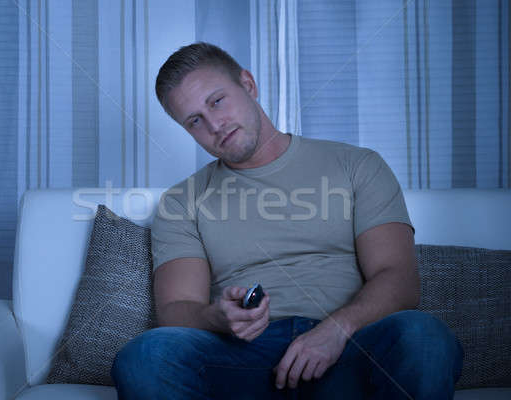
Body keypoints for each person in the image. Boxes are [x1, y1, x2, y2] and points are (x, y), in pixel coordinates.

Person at [112, 42, 463, 399]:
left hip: (350, 348)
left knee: (424, 335)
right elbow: (176, 310)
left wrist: (335, 330)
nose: (215, 124)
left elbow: (400, 279)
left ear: (248, 84)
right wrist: (216, 318)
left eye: (217, 101)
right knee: (145, 355)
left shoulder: (357, 165)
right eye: (195, 121)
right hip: (242, 360)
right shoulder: (181, 202)